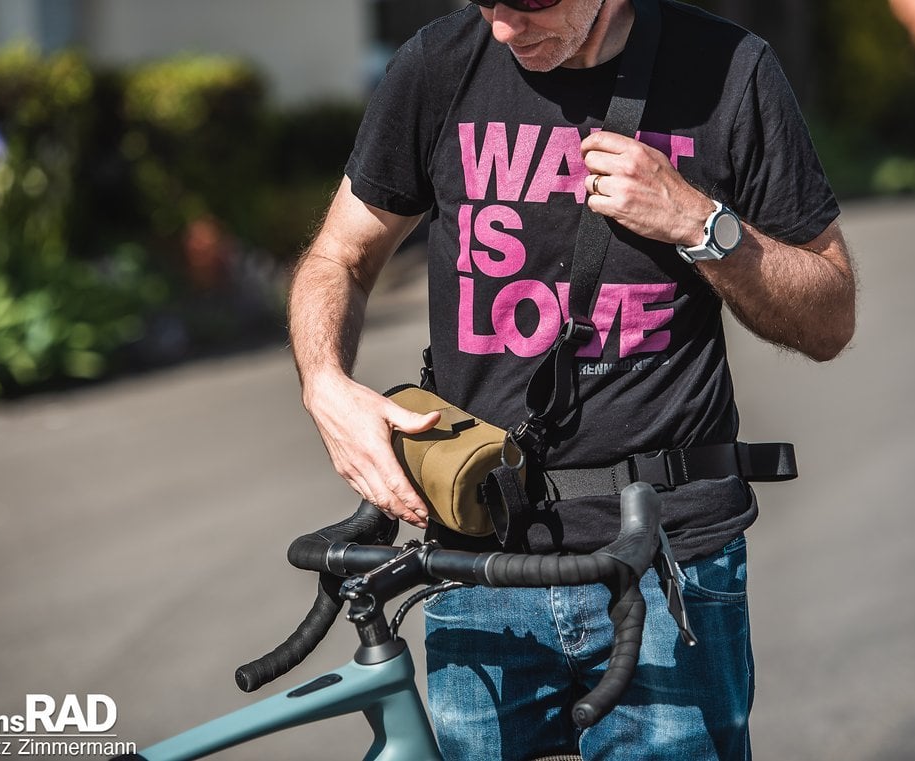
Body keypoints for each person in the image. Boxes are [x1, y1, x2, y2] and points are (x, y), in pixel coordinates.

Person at [288, 0, 856, 758]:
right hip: (478, 560)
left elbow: (830, 315)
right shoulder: (439, 64)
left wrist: (699, 222)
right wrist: (325, 384)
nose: (502, 26)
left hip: (664, 564)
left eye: (530, 4)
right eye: (488, 1)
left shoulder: (730, 73)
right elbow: (340, 258)